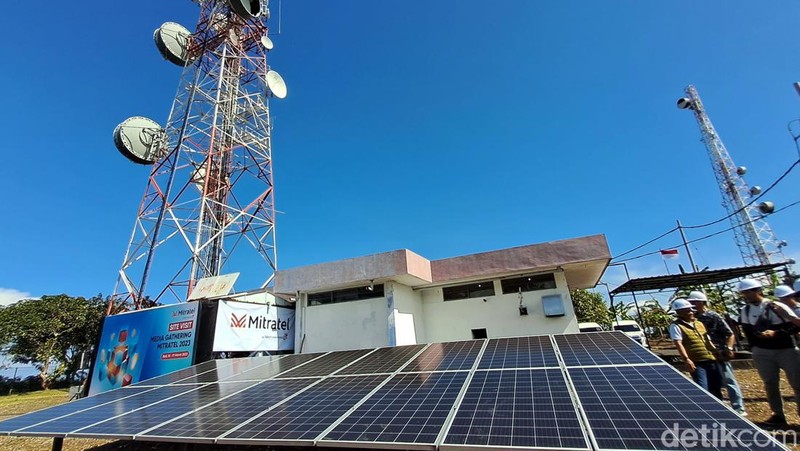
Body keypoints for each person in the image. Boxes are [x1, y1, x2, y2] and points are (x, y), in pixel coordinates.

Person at [737, 278, 800, 426]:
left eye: (749, 292)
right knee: (770, 384)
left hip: (785, 350)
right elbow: (747, 330)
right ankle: (777, 415)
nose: (746, 295)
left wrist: (776, 333)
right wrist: (754, 348)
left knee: (797, 383)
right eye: (744, 293)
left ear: (758, 290)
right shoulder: (745, 311)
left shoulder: (775, 306)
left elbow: (795, 326)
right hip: (762, 352)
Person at [687, 290, 746, 415]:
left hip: (719, 353)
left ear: (701, 302)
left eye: (693, 303)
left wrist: (729, 349)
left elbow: (730, 334)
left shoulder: (713, 316)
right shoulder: (693, 319)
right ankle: (717, 405)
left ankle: (738, 408)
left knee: (729, 380)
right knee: (714, 382)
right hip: (706, 355)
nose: (691, 306)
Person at [669, 298, 723, 398]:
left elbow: (707, 339)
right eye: (686, 310)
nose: (690, 312)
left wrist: (715, 352)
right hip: (696, 362)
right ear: (679, 313)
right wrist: (687, 359)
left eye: (690, 309)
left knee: (716, 386)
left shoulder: (699, 323)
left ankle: (720, 408)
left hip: (711, 359)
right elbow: (678, 343)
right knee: (703, 388)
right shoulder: (676, 326)